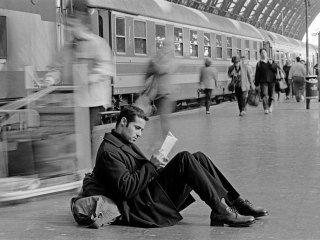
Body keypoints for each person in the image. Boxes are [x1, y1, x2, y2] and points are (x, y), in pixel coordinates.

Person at [77, 105, 268, 228]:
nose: (140, 134)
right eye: (137, 128)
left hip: (148, 197)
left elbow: (140, 175)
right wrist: (152, 165)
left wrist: (158, 168)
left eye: (142, 130)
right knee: (184, 158)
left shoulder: (122, 143)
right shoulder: (109, 151)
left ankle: (235, 202)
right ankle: (220, 210)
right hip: (143, 208)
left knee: (198, 157)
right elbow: (126, 189)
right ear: (123, 122)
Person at [42, 0, 114, 130]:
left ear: (82, 24)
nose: (69, 29)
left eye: (72, 25)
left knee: (88, 137)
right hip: (74, 102)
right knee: (74, 138)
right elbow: (57, 67)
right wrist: (50, 78)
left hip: (93, 102)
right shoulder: (67, 48)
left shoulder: (98, 44)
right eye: (67, 25)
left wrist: (92, 77)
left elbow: (106, 68)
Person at [137, 40, 176, 139]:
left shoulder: (170, 61)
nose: (163, 51)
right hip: (157, 95)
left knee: (164, 119)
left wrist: (154, 63)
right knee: (159, 120)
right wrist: (144, 87)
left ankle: (166, 142)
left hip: (166, 95)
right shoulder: (157, 60)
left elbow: (162, 70)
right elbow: (148, 73)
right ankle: (160, 141)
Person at [254, 49, 277, 114]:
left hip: (272, 81)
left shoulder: (271, 61)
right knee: (264, 95)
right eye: (261, 53)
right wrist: (256, 84)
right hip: (263, 82)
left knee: (271, 96)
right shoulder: (259, 63)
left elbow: (275, 70)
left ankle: (270, 106)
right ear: (260, 54)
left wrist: (271, 64)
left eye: (264, 52)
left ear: (267, 53)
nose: (263, 54)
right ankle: (266, 108)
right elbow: (257, 74)